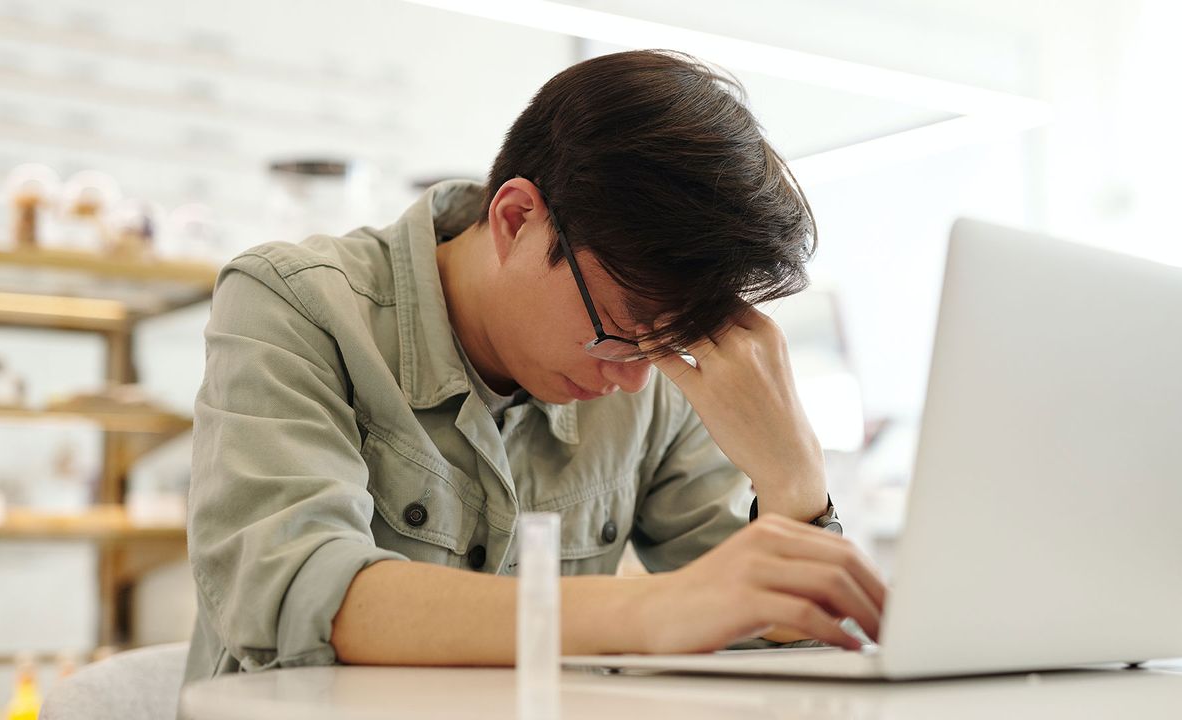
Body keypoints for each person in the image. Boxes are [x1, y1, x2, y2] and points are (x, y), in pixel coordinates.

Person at [183, 49, 886, 682]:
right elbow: (298, 594)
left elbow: (779, 635)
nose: (635, 376)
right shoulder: (293, 303)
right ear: (517, 220)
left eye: (664, 342)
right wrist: (647, 611)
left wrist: (795, 485)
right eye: (619, 326)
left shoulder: (646, 369)